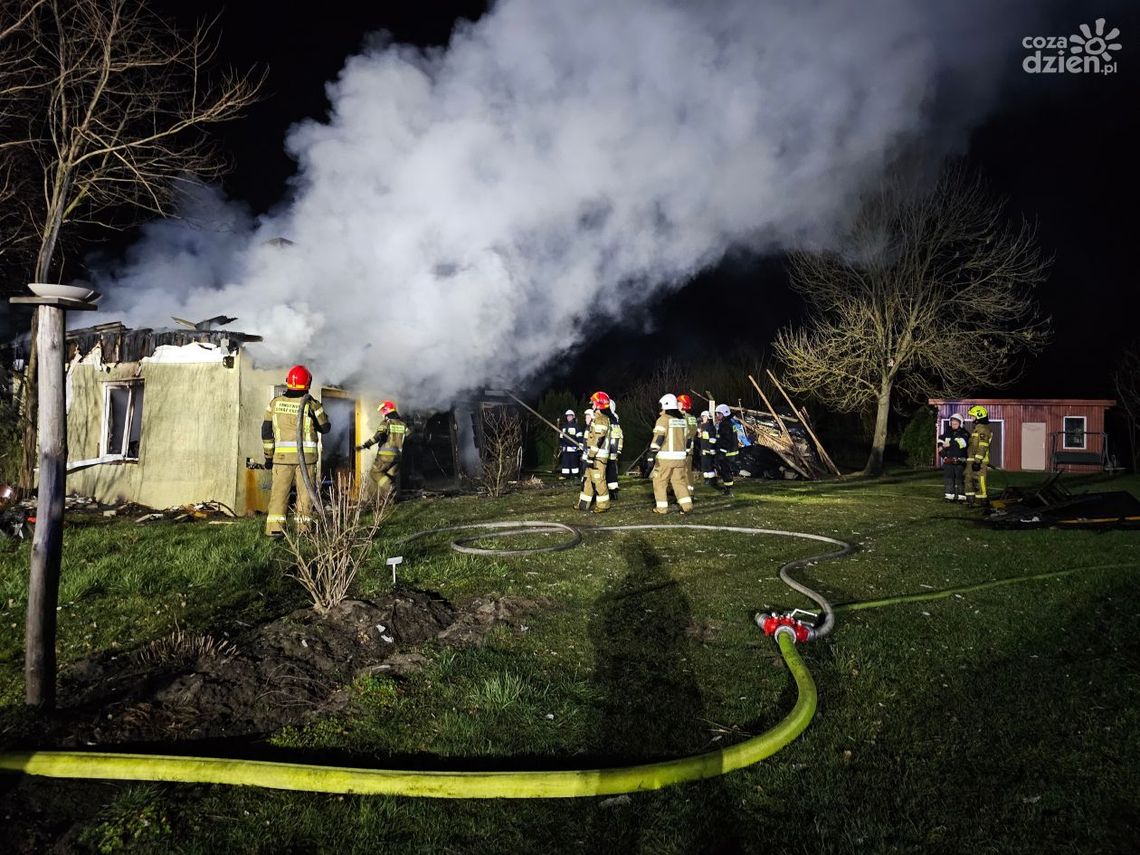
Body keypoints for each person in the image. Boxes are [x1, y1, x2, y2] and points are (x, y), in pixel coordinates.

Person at [262, 365, 331, 537]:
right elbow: (326, 427)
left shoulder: (275, 404)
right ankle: (303, 531)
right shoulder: (312, 404)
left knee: (279, 495)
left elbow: (266, 431)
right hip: (306, 460)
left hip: (281, 459)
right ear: (308, 383)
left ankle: (275, 530)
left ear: (288, 382)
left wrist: (268, 457)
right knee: (305, 496)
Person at [648, 394, 693, 514]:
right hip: (681, 458)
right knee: (679, 482)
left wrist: (652, 453)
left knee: (659, 482)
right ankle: (687, 506)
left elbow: (659, 438)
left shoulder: (663, 419)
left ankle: (661, 508)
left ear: (665, 405)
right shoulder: (682, 421)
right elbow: (688, 440)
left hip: (665, 459)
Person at [357, 400, 408, 503]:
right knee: (389, 476)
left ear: (387, 411)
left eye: (382, 412)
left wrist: (364, 445)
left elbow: (377, 437)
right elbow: (409, 436)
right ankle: (391, 501)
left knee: (375, 473)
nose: (382, 414)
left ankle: (391, 489)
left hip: (385, 456)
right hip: (398, 456)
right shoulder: (403, 424)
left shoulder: (386, 422)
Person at [578, 392, 613, 513]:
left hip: (598, 457)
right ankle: (583, 504)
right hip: (593, 456)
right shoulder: (597, 419)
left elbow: (598, 439)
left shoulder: (601, 419)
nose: (592, 405)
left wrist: (591, 456)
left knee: (598, 481)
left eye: (593, 402)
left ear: (599, 404)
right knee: (587, 480)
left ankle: (603, 505)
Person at [964, 404, 992, 507]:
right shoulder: (976, 429)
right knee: (968, 478)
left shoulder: (983, 429)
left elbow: (982, 446)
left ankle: (981, 501)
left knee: (980, 480)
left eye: (973, 416)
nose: (972, 418)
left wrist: (978, 460)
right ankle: (970, 500)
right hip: (971, 460)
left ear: (978, 416)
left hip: (979, 461)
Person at [939, 413, 970, 502]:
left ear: (961, 423)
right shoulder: (947, 432)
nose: (953, 423)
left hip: (960, 461)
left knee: (960, 479)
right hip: (948, 460)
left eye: (956, 422)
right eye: (952, 422)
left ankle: (961, 497)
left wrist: (950, 443)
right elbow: (940, 439)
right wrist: (940, 447)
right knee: (949, 479)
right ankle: (949, 496)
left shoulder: (964, 433)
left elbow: (963, 443)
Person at [713, 403, 740, 496]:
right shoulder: (731, 422)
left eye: (718, 413)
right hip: (733, 451)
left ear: (724, 413)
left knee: (725, 470)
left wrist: (722, 452)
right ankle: (728, 487)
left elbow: (726, 440)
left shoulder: (724, 425)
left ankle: (728, 490)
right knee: (727, 470)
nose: (717, 415)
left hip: (727, 452)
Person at [676, 394, 700, 499]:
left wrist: (685, 449)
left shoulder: (687, 418)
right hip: (680, 450)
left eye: (679, 402)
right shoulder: (679, 417)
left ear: (684, 404)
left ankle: (688, 493)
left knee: (685, 471)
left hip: (685, 450)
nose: (677, 404)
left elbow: (689, 434)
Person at [605, 398, 624, 500]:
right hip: (613, 450)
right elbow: (620, 436)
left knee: (605, 470)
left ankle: (606, 492)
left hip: (606, 450)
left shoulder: (607, 419)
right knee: (612, 470)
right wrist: (618, 450)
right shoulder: (615, 419)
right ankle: (613, 492)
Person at [557, 409, 581, 480]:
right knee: (565, 463)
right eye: (567, 416)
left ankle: (575, 475)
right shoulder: (564, 426)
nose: (568, 417)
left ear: (573, 417)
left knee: (574, 463)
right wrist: (561, 445)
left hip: (574, 449)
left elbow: (580, 437)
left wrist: (580, 445)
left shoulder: (577, 426)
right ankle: (565, 475)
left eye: (570, 416)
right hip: (565, 449)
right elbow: (561, 437)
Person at [699, 410, 717, 486]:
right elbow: (700, 437)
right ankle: (706, 479)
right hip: (703, 449)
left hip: (709, 450)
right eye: (702, 417)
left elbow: (713, 439)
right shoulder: (701, 426)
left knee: (709, 465)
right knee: (704, 465)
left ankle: (712, 480)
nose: (703, 418)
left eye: (704, 417)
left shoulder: (711, 427)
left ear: (708, 418)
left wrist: (710, 448)